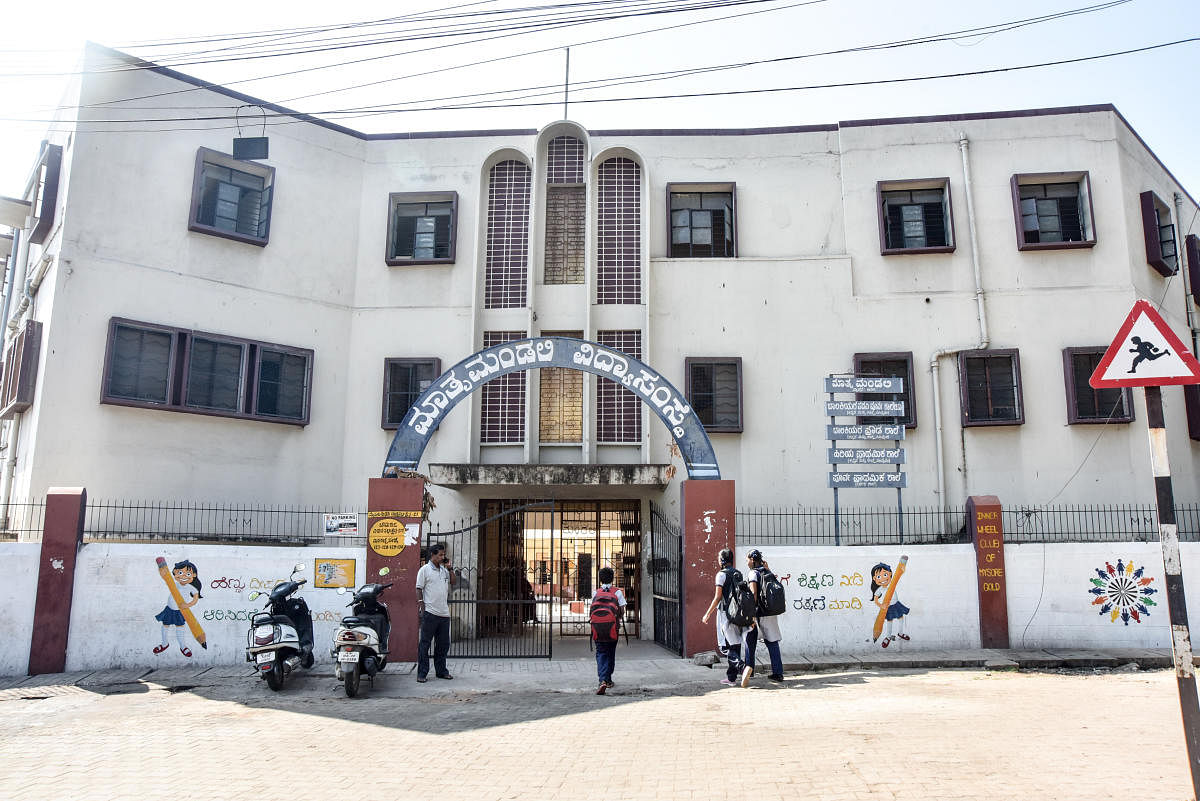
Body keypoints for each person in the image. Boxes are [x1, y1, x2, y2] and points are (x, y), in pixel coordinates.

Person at [701, 548, 747, 687]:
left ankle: (743, 667)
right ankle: (732, 678)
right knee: (735, 643)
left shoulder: (721, 575)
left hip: (725, 614)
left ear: (722, 560)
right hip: (738, 614)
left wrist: (707, 613)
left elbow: (718, 597)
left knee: (725, 647)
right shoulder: (738, 573)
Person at [415, 542, 456, 682]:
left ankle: (441, 671)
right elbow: (418, 588)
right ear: (432, 555)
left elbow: (453, 582)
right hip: (430, 613)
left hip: (444, 614)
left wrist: (450, 569)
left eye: (444, 555)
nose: (442, 557)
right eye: (440, 555)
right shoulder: (425, 570)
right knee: (425, 644)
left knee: (443, 644)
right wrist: (421, 606)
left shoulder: (444, 570)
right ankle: (422, 673)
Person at [742, 549, 784, 684]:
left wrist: (751, 614)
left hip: (759, 613)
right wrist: (768, 568)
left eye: (748, 559)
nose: (747, 562)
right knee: (772, 642)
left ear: (752, 560)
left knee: (750, 640)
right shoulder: (767, 571)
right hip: (771, 611)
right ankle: (778, 673)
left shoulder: (753, 573)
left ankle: (750, 670)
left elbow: (753, 594)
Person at [153, 559, 201, 657]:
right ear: (175, 573)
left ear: (194, 575)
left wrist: (187, 605)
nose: (183, 576)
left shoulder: (191, 588)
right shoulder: (175, 584)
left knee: (180, 628)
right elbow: (167, 579)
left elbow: (195, 599)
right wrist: (162, 572)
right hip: (169, 610)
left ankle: (183, 646)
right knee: (165, 626)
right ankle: (164, 644)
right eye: (180, 573)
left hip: (180, 612)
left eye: (187, 574)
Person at [591, 566, 626, 695]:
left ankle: (603, 680)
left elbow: (592, 610)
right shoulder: (617, 592)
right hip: (612, 628)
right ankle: (607, 680)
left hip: (597, 628)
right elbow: (622, 610)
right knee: (610, 652)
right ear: (612, 578)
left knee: (600, 652)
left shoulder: (596, 593)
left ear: (600, 579)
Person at [870, 562, 910, 648]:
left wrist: (902, 569)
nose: (883, 578)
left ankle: (900, 633)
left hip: (896, 604)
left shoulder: (892, 584)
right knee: (889, 622)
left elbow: (898, 576)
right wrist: (881, 605)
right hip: (888, 607)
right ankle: (888, 637)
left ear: (890, 574)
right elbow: (876, 600)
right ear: (874, 578)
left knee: (901, 619)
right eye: (879, 577)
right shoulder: (880, 589)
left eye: (885, 575)